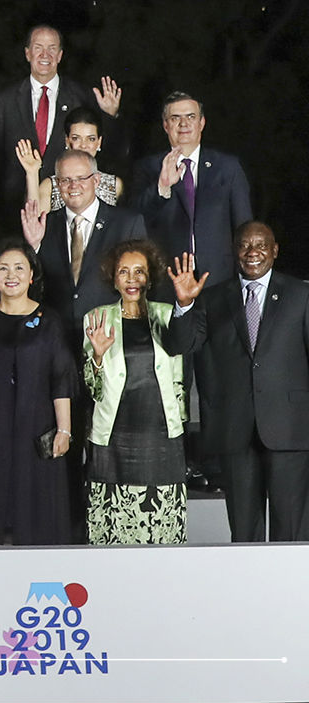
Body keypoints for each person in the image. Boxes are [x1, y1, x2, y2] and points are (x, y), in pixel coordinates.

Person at [168, 222, 309, 541]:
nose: (252, 252)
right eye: (245, 245)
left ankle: (289, 591)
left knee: (292, 532)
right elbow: (180, 345)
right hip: (235, 430)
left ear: (274, 250)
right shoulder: (212, 298)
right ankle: (251, 590)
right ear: (235, 251)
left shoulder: (301, 295)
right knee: (245, 532)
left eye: (261, 245)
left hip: (291, 431)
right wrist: (185, 304)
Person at [0, 240, 77, 545]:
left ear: (31, 275)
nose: (12, 275)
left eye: (19, 268)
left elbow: (60, 376)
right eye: (3, 268)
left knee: (36, 506)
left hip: (36, 425)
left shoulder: (49, 320)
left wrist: (64, 429)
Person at [82, 239, 187, 544]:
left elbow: (185, 353)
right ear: (113, 278)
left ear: (150, 277)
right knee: (111, 532)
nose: (131, 279)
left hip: (161, 435)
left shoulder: (168, 315)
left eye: (139, 271)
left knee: (163, 530)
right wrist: (98, 357)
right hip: (113, 437)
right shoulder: (96, 319)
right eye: (123, 272)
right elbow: (92, 388)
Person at [0, 25, 121, 211]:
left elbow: (106, 151)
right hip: (14, 209)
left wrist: (109, 115)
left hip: (67, 205)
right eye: (38, 48)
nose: (45, 55)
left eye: (52, 48)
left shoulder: (81, 97)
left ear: (60, 55)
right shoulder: (4, 101)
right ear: (27, 53)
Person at [22, 150, 146, 341]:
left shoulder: (127, 223)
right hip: (57, 338)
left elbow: (141, 285)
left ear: (96, 180)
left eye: (81, 178)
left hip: (110, 336)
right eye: (65, 180)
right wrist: (34, 246)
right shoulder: (44, 225)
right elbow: (36, 283)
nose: (73, 186)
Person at [132, 91, 252, 283]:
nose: (184, 124)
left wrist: (245, 278)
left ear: (201, 123)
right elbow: (136, 220)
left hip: (219, 281)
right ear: (165, 125)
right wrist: (161, 187)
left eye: (190, 117)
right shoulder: (148, 168)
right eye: (175, 118)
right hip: (167, 279)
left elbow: (244, 227)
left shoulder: (227, 167)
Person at [15, 106, 125, 211]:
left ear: (99, 142)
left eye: (91, 139)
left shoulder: (114, 186)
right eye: (76, 138)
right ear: (67, 141)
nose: (83, 145)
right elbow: (34, 222)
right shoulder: (51, 186)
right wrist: (32, 173)